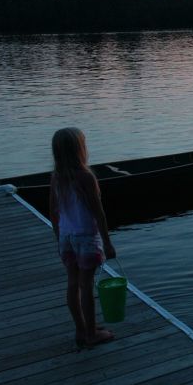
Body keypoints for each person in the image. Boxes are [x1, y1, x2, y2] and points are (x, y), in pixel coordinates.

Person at [48, 127, 117, 348]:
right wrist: (107, 242)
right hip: (86, 236)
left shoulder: (56, 177)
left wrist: (58, 236)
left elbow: (53, 211)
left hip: (66, 237)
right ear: (80, 149)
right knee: (86, 285)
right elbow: (99, 212)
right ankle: (91, 334)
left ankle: (81, 329)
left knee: (73, 283)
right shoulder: (86, 177)